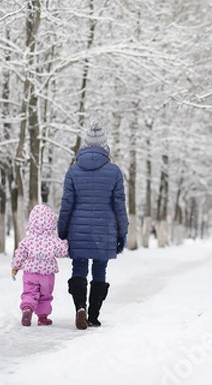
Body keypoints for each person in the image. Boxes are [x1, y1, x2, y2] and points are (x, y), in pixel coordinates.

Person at [58, 120, 129, 330]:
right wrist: (123, 232)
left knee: (78, 268)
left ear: (85, 144)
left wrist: (62, 231)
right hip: (104, 231)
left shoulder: (73, 171)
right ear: (105, 146)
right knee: (100, 270)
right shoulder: (114, 171)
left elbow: (66, 205)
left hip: (77, 229)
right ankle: (94, 316)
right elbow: (119, 205)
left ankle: (80, 307)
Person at [11, 204, 69, 326]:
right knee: (45, 296)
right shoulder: (53, 240)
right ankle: (42, 318)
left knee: (29, 293)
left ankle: (27, 308)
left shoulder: (28, 240)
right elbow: (63, 252)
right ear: (51, 222)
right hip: (47, 275)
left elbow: (20, 254)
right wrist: (66, 243)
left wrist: (15, 267)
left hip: (30, 274)